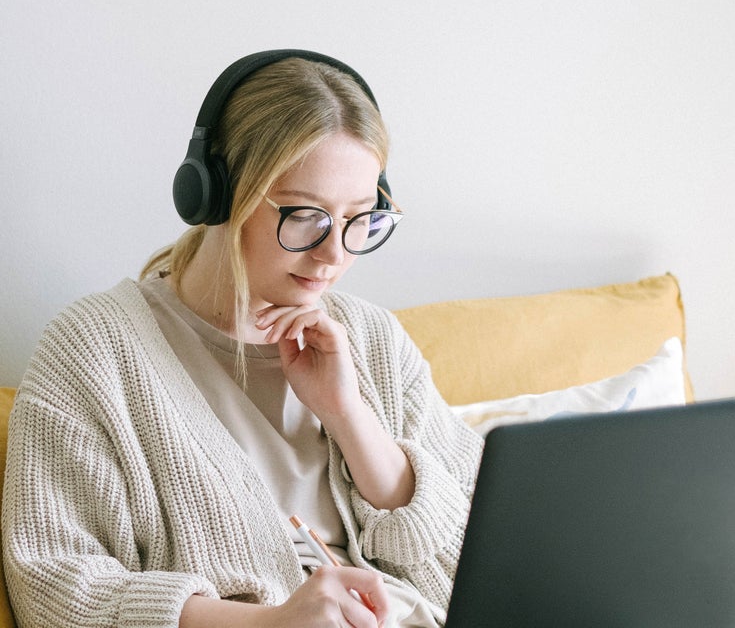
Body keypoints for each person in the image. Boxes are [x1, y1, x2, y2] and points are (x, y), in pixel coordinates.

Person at [2, 49, 484, 628]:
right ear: (219, 195)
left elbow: (484, 546)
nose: (335, 255)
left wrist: (350, 416)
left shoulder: (371, 336)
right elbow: (56, 585)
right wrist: (269, 623)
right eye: (306, 215)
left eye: (362, 217)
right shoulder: (95, 351)